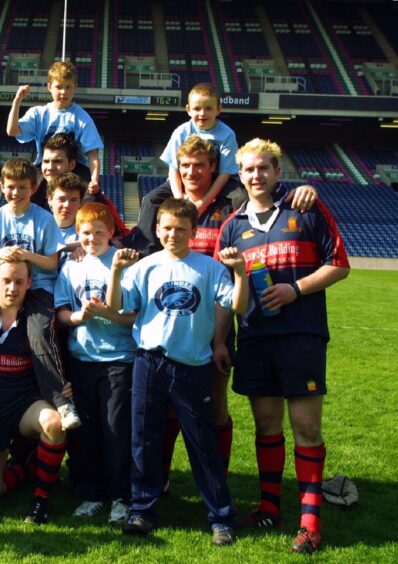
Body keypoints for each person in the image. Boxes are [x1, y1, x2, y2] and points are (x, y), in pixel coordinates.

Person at [126, 135, 319, 493]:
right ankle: (163, 479)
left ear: (213, 167)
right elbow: (139, 249)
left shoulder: (232, 201)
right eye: (186, 165)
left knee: (214, 406)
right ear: (177, 168)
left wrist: (305, 187)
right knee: (167, 410)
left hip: (219, 316)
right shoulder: (159, 202)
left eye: (200, 165)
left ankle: (218, 479)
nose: (193, 172)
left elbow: (268, 193)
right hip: (169, 321)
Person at [216, 138, 350, 554]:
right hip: (255, 338)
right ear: (240, 175)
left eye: (264, 168)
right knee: (267, 425)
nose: (256, 176)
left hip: (301, 337)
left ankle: (310, 522)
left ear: (276, 172)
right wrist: (221, 338)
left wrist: (295, 290)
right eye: (249, 170)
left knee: (306, 428)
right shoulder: (232, 225)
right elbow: (226, 290)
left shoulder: (305, 210)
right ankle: (269, 506)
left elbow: (339, 265)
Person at [108, 198, 248, 546]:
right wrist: (115, 271)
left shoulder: (209, 268)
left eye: (181, 229)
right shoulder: (145, 266)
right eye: (167, 228)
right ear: (157, 229)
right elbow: (117, 307)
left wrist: (241, 273)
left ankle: (220, 515)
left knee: (202, 442)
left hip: (192, 366)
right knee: (144, 439)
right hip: (149, 362)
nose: (173, 234)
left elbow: (238, 306)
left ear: (194, 232)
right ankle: (142, 509)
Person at [0, 157, 81, 431]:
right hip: (3, 282)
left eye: (22, 187)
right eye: (10, 187)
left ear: (33, 187)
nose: (15, 193)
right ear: (2, 186)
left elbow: (52, 263)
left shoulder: (43, 219)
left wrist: (26, 255)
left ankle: (61, 403)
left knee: (39, 330)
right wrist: (0, 255)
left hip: (38, 284)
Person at [0, 257, 68, 524]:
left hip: (24, 403)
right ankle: (28, 467)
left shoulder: (38, 317)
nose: (12, 288)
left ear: (29, 283)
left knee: (54, 423)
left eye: (19, 282)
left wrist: (64, 383)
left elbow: (62, 349)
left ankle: (41, 498)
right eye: (7, 280)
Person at [54, 203, 136, 525]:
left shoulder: (124, 265)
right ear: (78, 233)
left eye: (98, 232)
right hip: (83, 359)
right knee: (85, 430)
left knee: (116, 429)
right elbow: (61, 313)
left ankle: (120, 497)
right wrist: (78, 316)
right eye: (85, 233)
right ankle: (92, 493)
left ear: (111, 233)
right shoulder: (71, 268)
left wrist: (105, 314)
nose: (91, 239)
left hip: (119, 359)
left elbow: (133, 317)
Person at [7, 61, 103, 194]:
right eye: (59, 87)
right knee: (26, 195)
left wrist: (94, 180)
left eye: (68, 87)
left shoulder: (82, 119)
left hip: (75, 169)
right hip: (46, 166)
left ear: (75, 88)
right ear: (49, 87)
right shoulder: (38, 114)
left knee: (89, 199)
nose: (64, 92)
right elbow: (12, 131)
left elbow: (92, 154)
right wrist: (17, 101)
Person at [160, 83, 239, 215]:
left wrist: (203, 204)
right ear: (188, 109)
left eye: (208, 108)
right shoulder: (181, 132)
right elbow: (173, 168)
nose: (202, 113)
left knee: (240, 199)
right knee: (150, 200)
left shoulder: (227, 134)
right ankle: (142, 236)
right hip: (185, 180)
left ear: (218, 109)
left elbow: (224, 174)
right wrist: (179, 199)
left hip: (218, 180)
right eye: (197, 108)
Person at [33, 134, 128, 240]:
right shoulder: (30, 193)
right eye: (45, 161)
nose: (50, 167)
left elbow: (116, 239)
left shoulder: (91, 199)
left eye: (57, 161)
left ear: (72, 165)